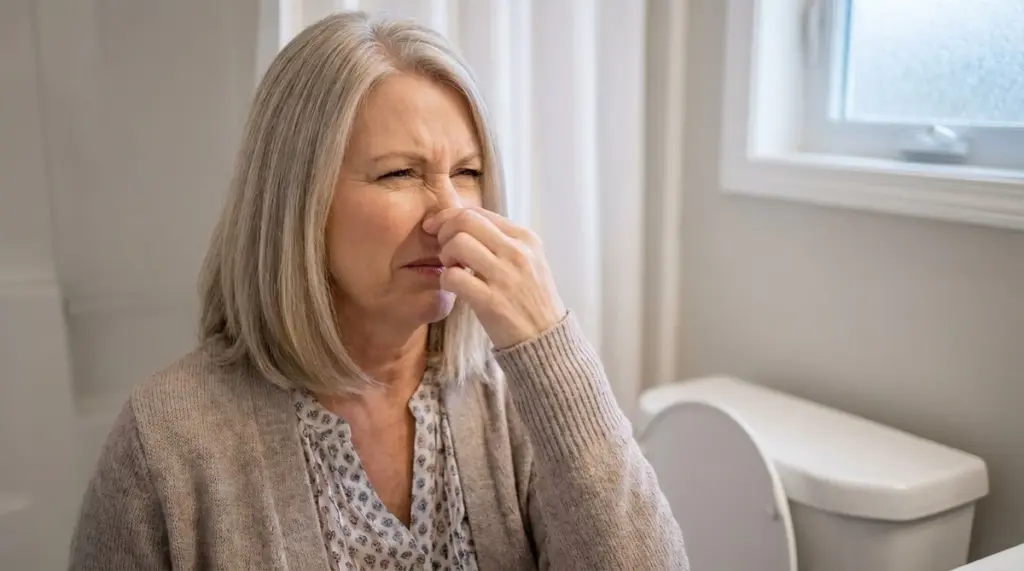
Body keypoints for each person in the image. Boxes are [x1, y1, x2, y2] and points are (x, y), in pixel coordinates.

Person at [68, 11, 688, 571]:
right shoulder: (168, 442)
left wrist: (551, 349)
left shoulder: (516, 404)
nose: (451, 215)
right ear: (298, 203)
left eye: (468, 174)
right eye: (400, 173)